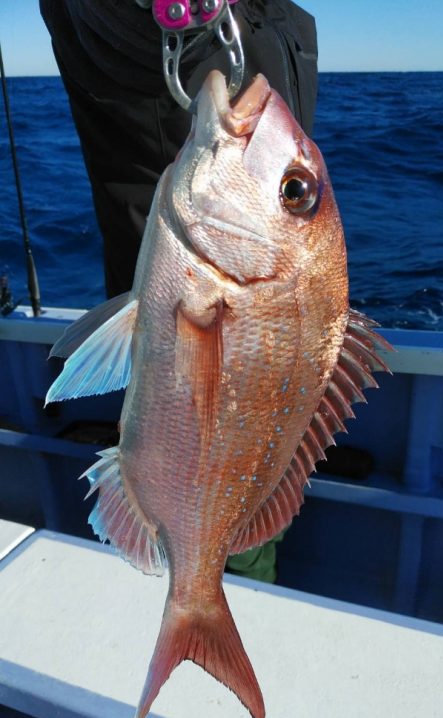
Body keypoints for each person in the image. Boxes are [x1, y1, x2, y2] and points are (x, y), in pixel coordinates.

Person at [40, 0, 318, 583]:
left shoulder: (287, 19)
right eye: (294, 191)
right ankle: (198, 595)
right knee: (198, 546)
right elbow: (103, 30)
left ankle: (214, 596)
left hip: (267, 388)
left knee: (247, 537)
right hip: (181, 323)